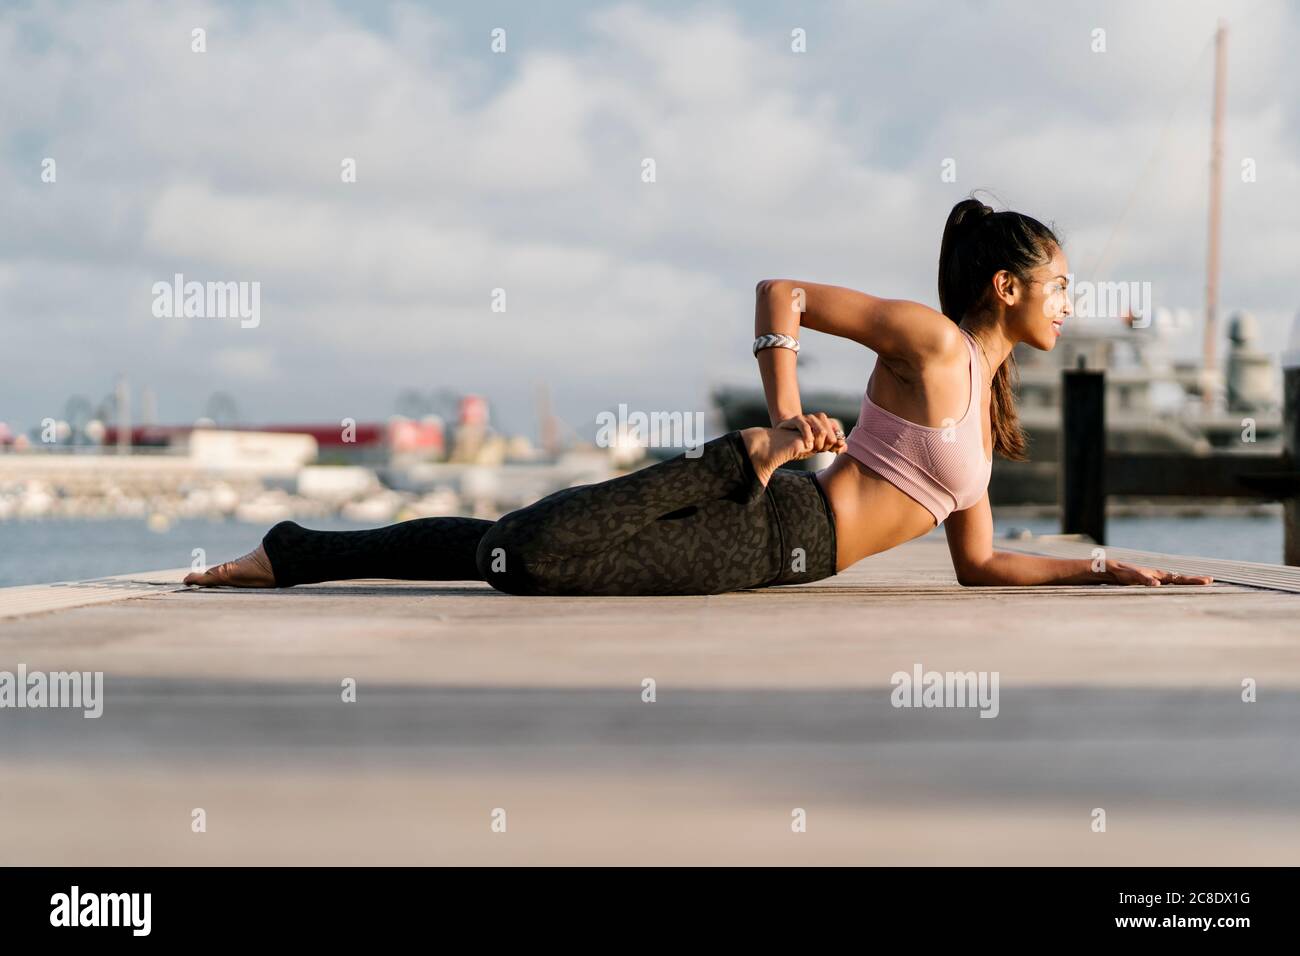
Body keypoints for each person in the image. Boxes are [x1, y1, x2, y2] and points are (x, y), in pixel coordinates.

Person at [185, 198, 1213, 594]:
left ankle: (295, 551)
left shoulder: (984, 402)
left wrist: (1097, 571)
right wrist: (778, 414)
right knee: (527, 556)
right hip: (771, 514)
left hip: (782, 546)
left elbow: (979, 562)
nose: (1069, 305)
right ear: (1007, 286)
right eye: (1061, 287)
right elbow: (785, 292)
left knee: (504, 544)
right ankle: (292, 551)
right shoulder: (934, 340)